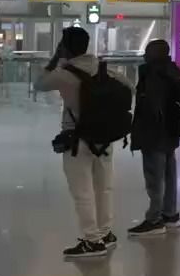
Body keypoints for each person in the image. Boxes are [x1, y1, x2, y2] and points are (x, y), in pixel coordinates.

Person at [35, 27, 118, 258]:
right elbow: (128, 88)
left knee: (82, 192)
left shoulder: (64, 73)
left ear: (65, 47)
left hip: (77, 141)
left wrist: (55, 59)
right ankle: (105, 233)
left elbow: (39, 84)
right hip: (104, 138)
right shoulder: (103, 70)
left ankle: (92, 241)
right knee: (104, 188)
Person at [127, 40, 180, 237]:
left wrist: (140, 132)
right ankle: (170, 215)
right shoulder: (173, 70)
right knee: (169, 174)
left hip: (154, 133)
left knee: (154, 177)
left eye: (147, 51)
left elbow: (149, 105)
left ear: (154, 54)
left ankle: (154, 219)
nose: (144, 54)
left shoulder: (152, 73)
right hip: (170, 132)